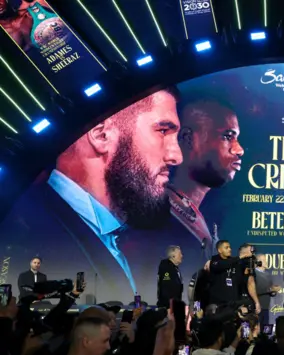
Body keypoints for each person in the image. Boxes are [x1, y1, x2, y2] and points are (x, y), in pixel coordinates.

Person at [0, 87, 182, 303]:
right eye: (162, 130)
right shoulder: (27, 230)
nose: (176, 156)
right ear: (101, 136)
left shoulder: (109, 233)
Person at [170, 96, 244, 251]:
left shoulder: (196, 216)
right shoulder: (156, 215)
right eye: (227, 136)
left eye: (236, 138)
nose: (239, 150)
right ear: (188, 139)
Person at [203, 240, 251, 308]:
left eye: (230, 247)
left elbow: (240, 281)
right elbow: (222, 265)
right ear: (219, 250)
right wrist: (240, 257)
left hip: (232, 304)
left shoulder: (235, 262)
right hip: (218, 304)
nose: (230, 249)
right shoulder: (214, 261)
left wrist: (246, 273)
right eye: (226, 247)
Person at [254, 253, 280, 328]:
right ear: (259, 262)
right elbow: (254, 290)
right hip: (257, 307)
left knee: (265, 330)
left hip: (266, 307)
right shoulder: (254, 274)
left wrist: (274, 291)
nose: (266, 262)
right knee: (256, 329)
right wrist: (270, 289)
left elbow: (270, 291)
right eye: (264, 260)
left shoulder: (268, 274)